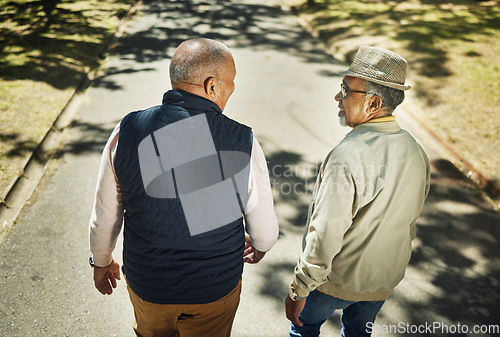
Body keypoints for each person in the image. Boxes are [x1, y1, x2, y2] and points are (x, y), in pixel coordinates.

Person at [89, 38, 279, 337]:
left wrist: (101, 261)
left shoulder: (127, 129)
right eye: (231, 82)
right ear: (212, 86)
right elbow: (264, 232)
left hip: (149, 285)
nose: (232, 89)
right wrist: (261, 245)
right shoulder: (242, 140)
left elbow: (106, 212)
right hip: (214, 288)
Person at [285, 46, 431, 337]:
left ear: (373, 103)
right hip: (381, 283)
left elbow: (325, 231)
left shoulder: (347, 155)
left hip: (334, 282)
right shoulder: (417, 151)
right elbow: (410, 221)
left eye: (346, 90)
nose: (337, 97)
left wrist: (299, 289)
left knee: (304, 328)